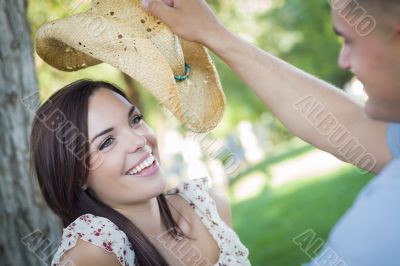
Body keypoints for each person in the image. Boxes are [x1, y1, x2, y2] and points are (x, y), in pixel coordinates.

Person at [141, 0, 400, 265]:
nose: (343, 61)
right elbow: (349, 126)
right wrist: (213, 34)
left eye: (348, 41)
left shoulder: (382, 226)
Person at [30, 79, 250, 266]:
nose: (139, 140)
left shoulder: (209, 208)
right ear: (78, 178)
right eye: (107, 142)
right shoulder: (95, 253)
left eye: (135, 120)